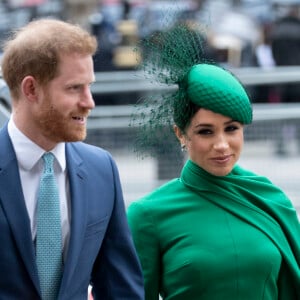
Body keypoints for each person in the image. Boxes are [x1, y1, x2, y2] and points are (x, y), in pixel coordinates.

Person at [127, 23, 300, 300]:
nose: (221, 145)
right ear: (180, 133)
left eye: (231, 129)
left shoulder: (271, 199)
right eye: (205, 131)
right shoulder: (148, 215)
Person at [0, 18, 144, 299]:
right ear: (31, 89)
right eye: (74, 88)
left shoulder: (101, 169)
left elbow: (120, 286)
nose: (89, 102)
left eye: (89, 86)